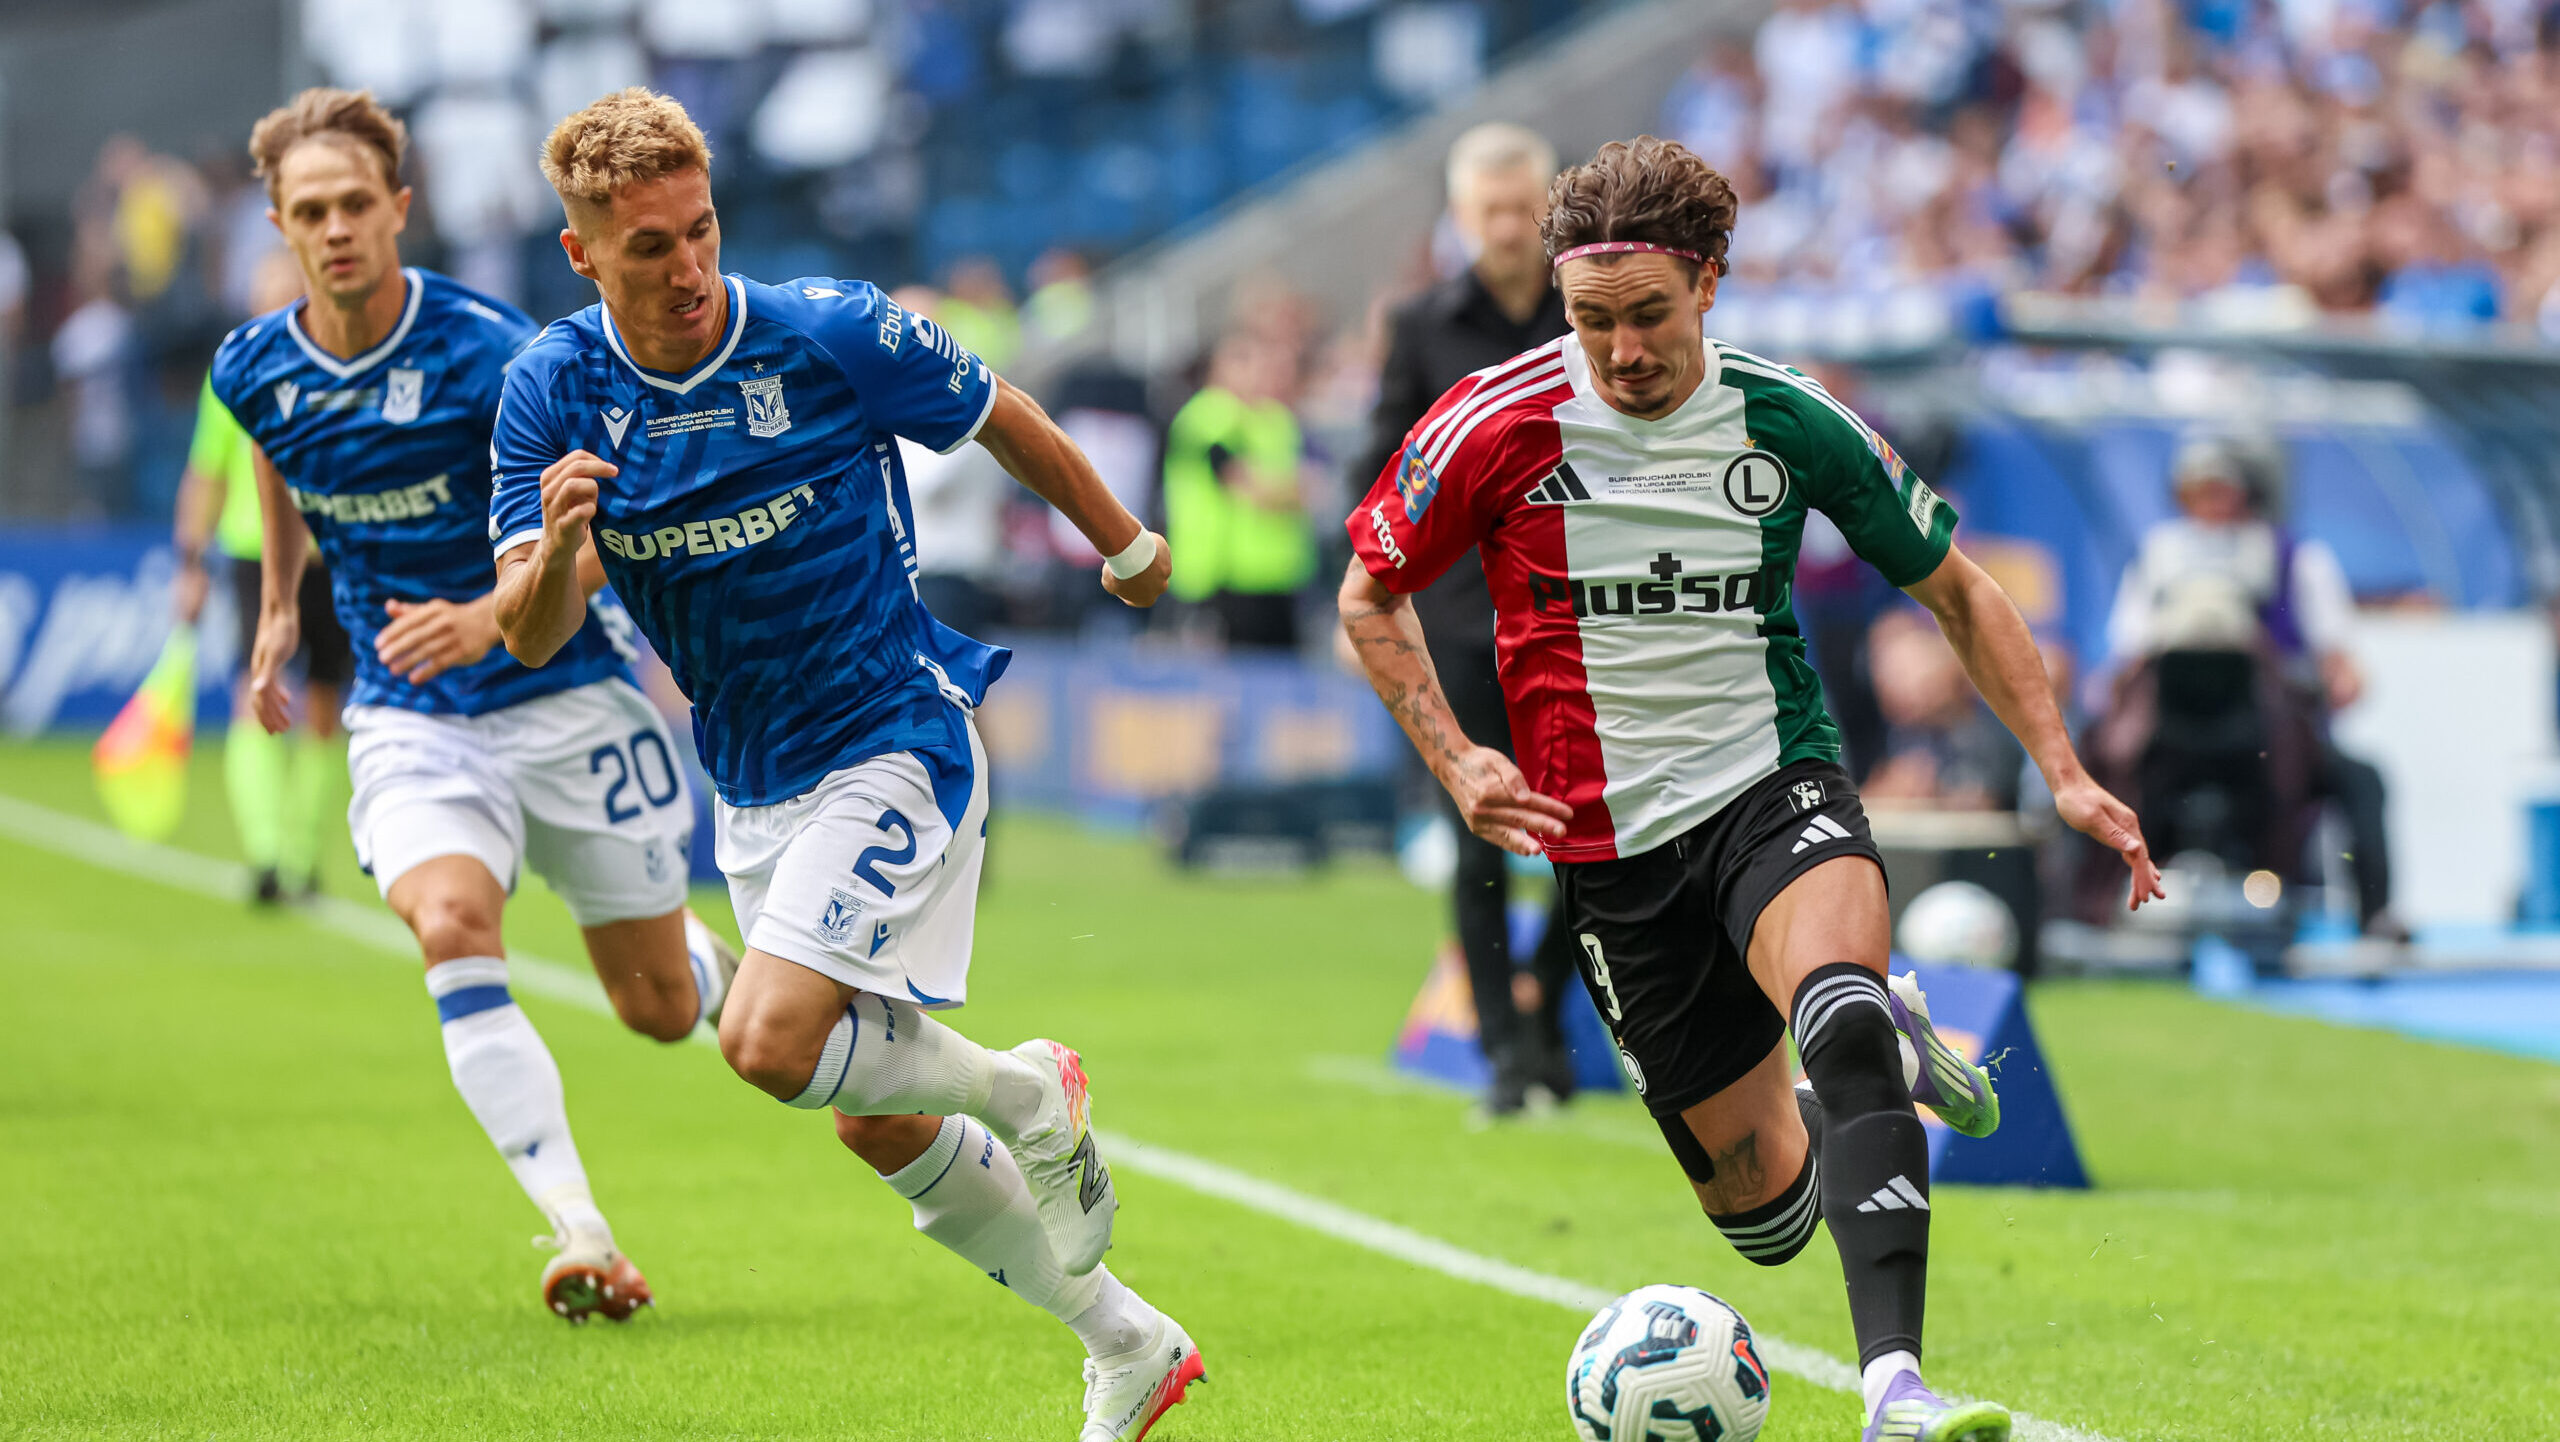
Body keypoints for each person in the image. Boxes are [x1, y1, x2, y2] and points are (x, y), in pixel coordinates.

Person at [1340, 137, 2163, 1442]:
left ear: (1709, 284)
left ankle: (1896, 1385)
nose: (1620, 350)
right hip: (1610, 850)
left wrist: (2063, 768)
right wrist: (1457, 755)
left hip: (1770, 784)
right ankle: (1881, 1033)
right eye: (1591, 320)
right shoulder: (1492, 422)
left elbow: (1954, 586)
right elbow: (1367, 594)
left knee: (1828, 1019)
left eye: (1648, 315)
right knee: (1767, 1216)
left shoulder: (1787, 418)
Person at [490, 90, 1200, 1441]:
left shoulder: (822, 327)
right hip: (753, 787)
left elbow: (1003, 412)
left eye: (699, 230)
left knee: (764, 1041)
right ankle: (1127, 1340)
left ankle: (1026, 1088)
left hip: (898, 733)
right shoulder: (552, 393)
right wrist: (562, 540)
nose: (688, 265)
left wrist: (1125, 541)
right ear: (582, 256)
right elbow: (528, 631)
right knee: (872, 1120)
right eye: (647, 247)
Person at [209, 88, 737, 1325]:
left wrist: (499, 607)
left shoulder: (492, 351)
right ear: (281, 228)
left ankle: (726, 970)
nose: (335, 228)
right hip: (413, 712)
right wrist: (283, 601)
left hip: (561, 691)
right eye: (309, 212)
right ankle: (580, 1230)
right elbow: (282, 458)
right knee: (449, 918)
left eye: (355, 204)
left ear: (398, 210)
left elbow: (635, 505)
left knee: (658, 1010)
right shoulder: (255, 368)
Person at [1354, 120, 1577, 1117]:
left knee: (1596, 837)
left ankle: (1547, 1016)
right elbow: (1380, 468)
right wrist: (1369, 595)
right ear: (1459, 215)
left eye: (1519, 206)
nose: (1503, 226)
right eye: (1485, 209)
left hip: (1581, 616)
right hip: (1457, 623)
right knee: (1480, 835)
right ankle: (1501, 1049)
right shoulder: (1419, 327)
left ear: (1547, 208)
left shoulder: (1593, 316)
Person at [2105, 436, 2401, 937]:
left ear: (2250, 493)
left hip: (2270, 742)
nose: (2210, 504)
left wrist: (2321, 685)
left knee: (2362, 780)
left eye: (2221, 489)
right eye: (2198, 491)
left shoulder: (2299, 561)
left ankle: (2375, 917)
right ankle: (2092, 906)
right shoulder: (2155, 559)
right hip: (2170, 744)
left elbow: (2342, 668)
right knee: (2093, 774)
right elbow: (2125, 659)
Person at [174, 253, 353, 904]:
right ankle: (269, 853)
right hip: (255, 556)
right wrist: (190, 562)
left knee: (323, 706)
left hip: (329, 555)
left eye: (286, 294)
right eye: (265, 293)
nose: (274, 306)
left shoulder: (339, 370)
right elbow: (206, 473)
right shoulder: (234, 377)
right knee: (259, 695)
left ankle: (297, 854)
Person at [1161, 330, 1316, 649]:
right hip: (1221, 579)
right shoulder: (1208, 417)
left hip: (1278, 576)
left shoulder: (1276, 420)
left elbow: (1310, 488)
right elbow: (1244, 483)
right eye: (1244, 362)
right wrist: (1287, 490)